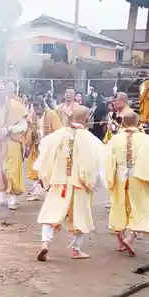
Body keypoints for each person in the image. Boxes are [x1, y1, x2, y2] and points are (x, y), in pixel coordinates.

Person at [34, 106, 106, 261]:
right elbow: (100, 163)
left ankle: (45, 244)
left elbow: (45, 154)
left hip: (59, 182)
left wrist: (43, 176)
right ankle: (75, 249)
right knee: (80, 216)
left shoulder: (57, 136)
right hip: (80, 184)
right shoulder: (92, 140)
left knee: (50, 213)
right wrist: (98, 183)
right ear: (87, 120)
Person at [105, 111, 149, 256]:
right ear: (138, 123)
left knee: (119, 207)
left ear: (123, 123)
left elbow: (108, 160)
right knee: (141, 209)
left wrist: (110, 178)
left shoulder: (116, 139)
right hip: (138, 176)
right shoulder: (145, 139)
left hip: (119, 177)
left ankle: (120, 241)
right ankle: (130, 238)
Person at [25, 97, 62, 201]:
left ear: (43, 106)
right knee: (34, 169)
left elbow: (58, 132)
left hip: (50, 148)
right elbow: (29, 131)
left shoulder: (51, 115)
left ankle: (51, 193)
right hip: (36, 147)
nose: (37, 110)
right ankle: (36, 193)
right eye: (34, 107)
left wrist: (48, 140)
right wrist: (28, 144)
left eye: (38, 107)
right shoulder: (32, 116)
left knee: (49, 170)